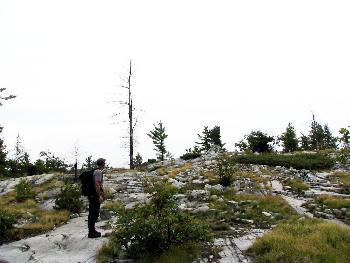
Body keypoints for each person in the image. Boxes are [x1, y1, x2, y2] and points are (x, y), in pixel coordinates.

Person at [88, 158, 106, 238]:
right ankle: (92, 232)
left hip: (91, 194)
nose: (105, 164)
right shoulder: (98, 172)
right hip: (94, 195)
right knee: (94, 213)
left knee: (92, 212)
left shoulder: (95, 171)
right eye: (104, 163)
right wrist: (99, 196)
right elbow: (97, 184)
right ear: (102, 164)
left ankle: (92, 231)